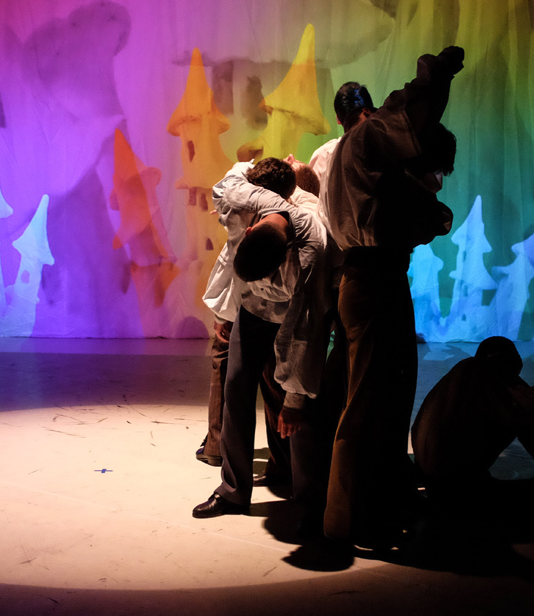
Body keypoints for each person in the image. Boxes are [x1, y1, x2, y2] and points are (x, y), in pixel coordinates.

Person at [320, 47, 464, 546]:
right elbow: (408, 109)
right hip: (371, 279)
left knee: (390, 393)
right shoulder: (365, 140)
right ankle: (346, 519)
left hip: (378, 278)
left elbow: (415, 213)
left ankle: (379, 500)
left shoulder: (363, 159)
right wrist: (436, 73)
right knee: (366, 403)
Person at [193, 161, 331, 529]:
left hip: (292, 316)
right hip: (252, 309)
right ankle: (233, 491)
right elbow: (230, 181)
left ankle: (309, 503)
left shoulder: (311, 250)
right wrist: (225, 312)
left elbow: (305, 332)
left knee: (298, 411)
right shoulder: (247, 201)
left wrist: (294, 400)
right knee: (236, 387)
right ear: (252, 225)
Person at [411, 336, 534, 510]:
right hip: (455, 490)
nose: (515, 379)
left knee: (524, 419)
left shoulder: (464, 374)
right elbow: (525, 416)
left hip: (441, 484)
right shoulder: (484, 372)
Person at [199, 158, 300, 473]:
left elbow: (233, 178)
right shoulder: (292, 214)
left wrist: (222, 314)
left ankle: (218, 446)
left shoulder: (239, 204)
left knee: (228, 367)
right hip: (269, 310)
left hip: (244, 304)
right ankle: (283, 460)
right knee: (272, 380)